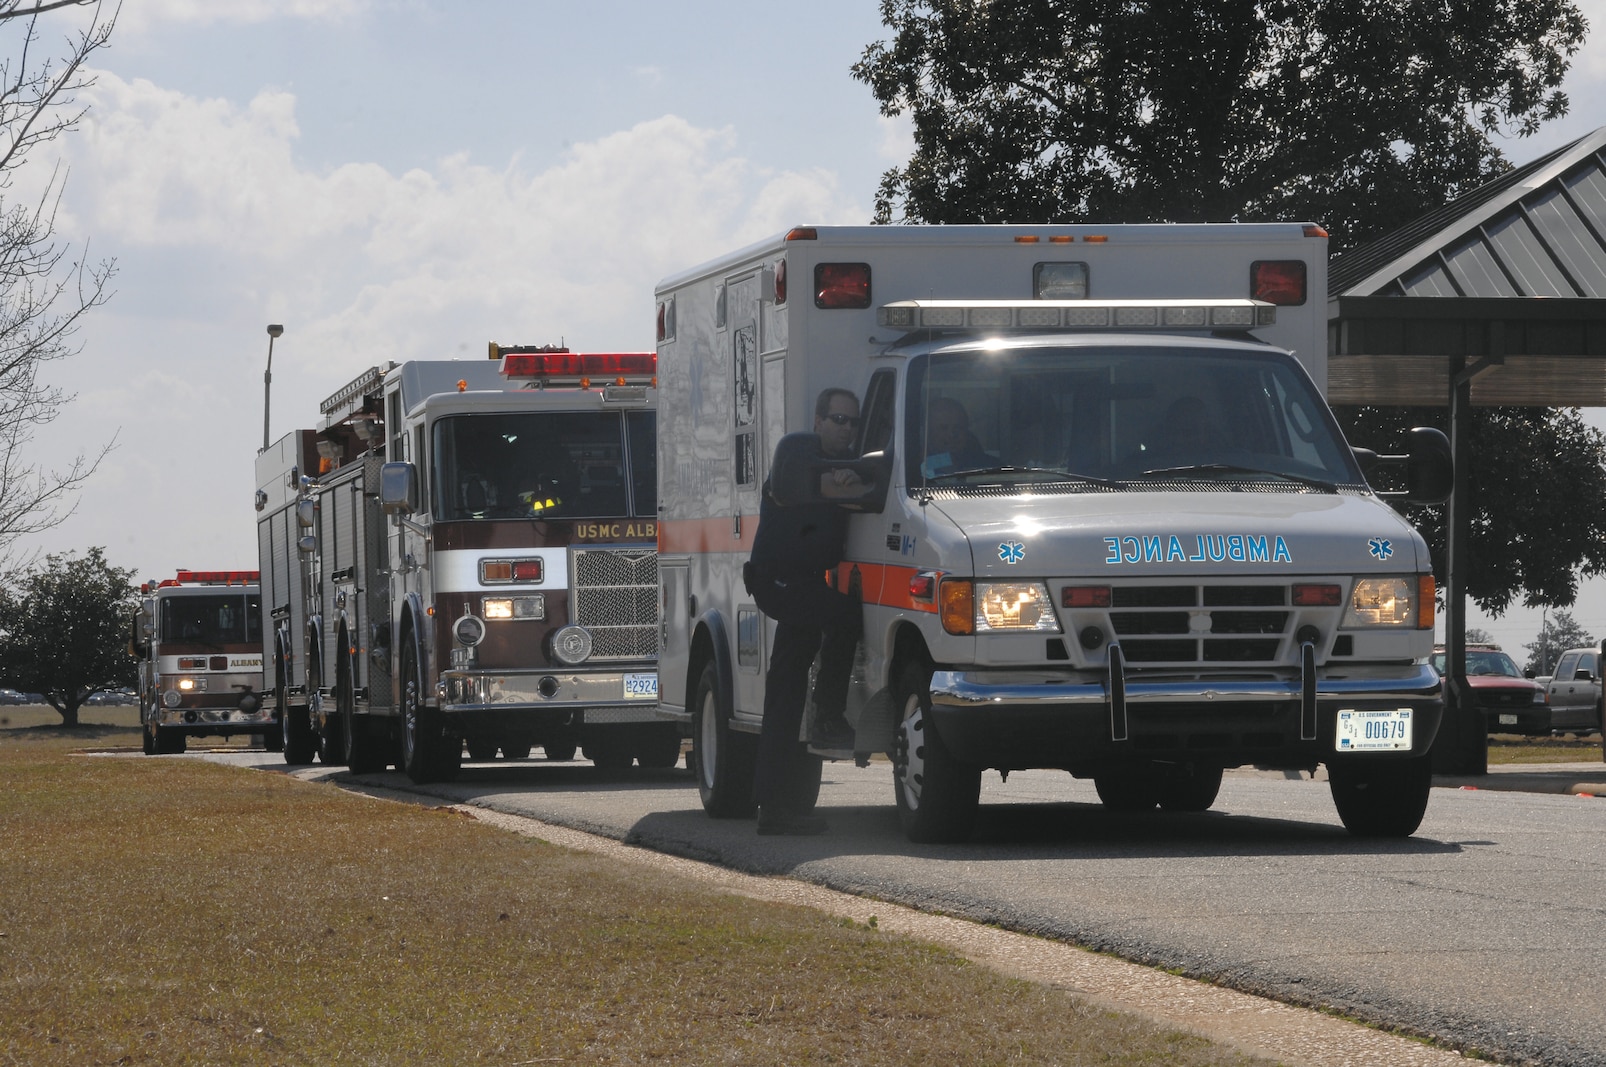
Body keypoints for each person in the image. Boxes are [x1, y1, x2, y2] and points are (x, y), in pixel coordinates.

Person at [745, 387, 864, 836]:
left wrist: (853, 478)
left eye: (852, 422)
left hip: (804, 583)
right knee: (844, 617)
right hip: (779, 580)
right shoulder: (796, 450)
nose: (845, 429)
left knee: (786, 694)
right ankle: (830, 715)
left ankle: (779, 805)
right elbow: (810, 485)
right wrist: (847, 482)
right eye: (838, 419)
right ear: (818, 421)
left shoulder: (846, 462)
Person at [922, 396, 994, 475]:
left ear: (966, 431)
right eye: (944, 428)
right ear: (928, 432)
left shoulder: (989, 467)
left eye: (958, 428)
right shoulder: (912, 467)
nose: (951, 434)